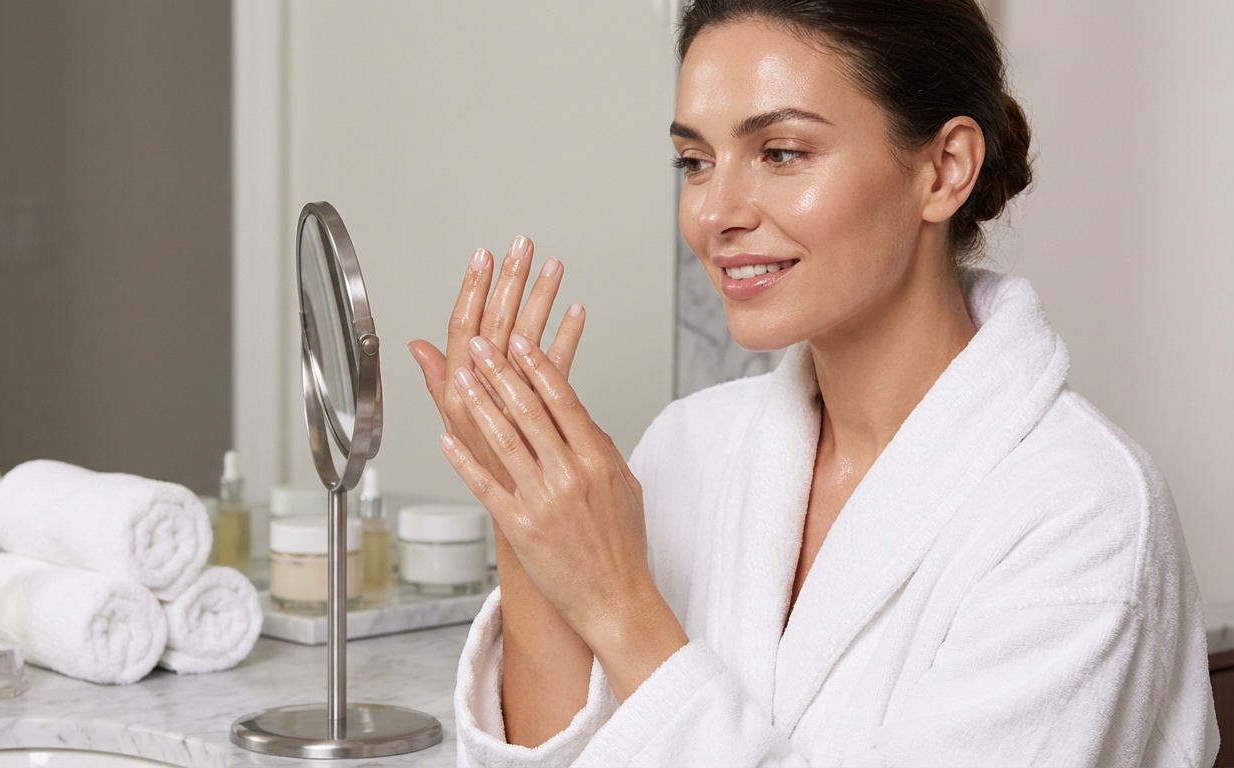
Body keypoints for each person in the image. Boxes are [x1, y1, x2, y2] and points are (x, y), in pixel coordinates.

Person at [408, 0, 1219, 764]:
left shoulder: (1082, 515)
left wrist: (620, 604)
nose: (714, 211)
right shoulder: (692, 446)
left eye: (782, 152)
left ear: (944, 169)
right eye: (694, 160)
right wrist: (529, 518)